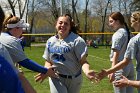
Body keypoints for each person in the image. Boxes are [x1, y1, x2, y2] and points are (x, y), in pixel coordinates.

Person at [35, 14, 96, 93]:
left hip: (75, 79)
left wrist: (87, 71)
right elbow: (48, 61)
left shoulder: (77, 41)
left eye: (66, 23)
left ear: (70, 27)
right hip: (56, 77)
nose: (63, 25)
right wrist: (46, 70)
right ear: (56, 25)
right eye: (60, 23)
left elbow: (83, 61)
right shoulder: (50, 41)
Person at [97, 11, 140, 93]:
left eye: (111, 21)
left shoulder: (118, 34)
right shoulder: (129, 33)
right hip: (130, 67)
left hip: (120, 67)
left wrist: (111, 71)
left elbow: (116, 54)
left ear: (117, 21)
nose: (110, 24)